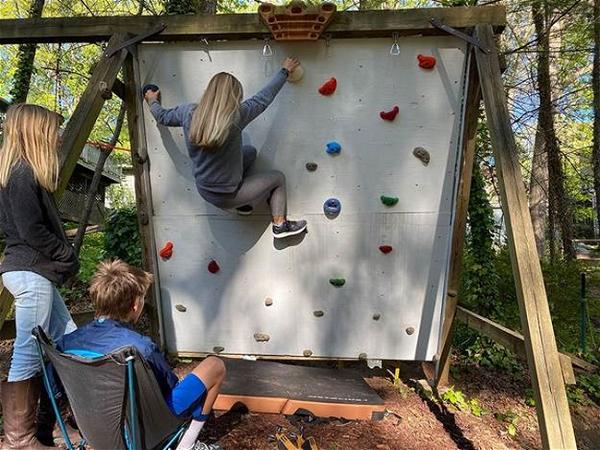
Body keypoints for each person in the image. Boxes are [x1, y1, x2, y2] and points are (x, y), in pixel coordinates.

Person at [59, 260, 225, 450]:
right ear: (135, 306)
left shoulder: (67, 342)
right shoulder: (139, 347)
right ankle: (187, 444)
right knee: (214, 365)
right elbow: (167, 388)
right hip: (142, 427)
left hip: (94, 426)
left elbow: (58, 387)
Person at [144, 57, 307, 239]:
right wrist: (284, 71)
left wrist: (152, 100)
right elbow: (263, 99)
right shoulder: (237, 116)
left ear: (208, 91)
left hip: (204, 189)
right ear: (235, 97)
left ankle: (243, 206)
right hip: (227, 195)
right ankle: (280, 225)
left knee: (250, 152)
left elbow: (163, 117)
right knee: (278, 178)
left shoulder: (187, 112)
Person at [0, 104, 80, 449]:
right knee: (29, 350)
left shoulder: (20, 173)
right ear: (35, 132)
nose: (58, 136)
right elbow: (31, 231)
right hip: (30, 272)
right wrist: (66, 255)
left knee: (71, 341)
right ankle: (19, 438)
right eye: (53, 130)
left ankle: (48, 425)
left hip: (32, 271)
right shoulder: (21, 173)